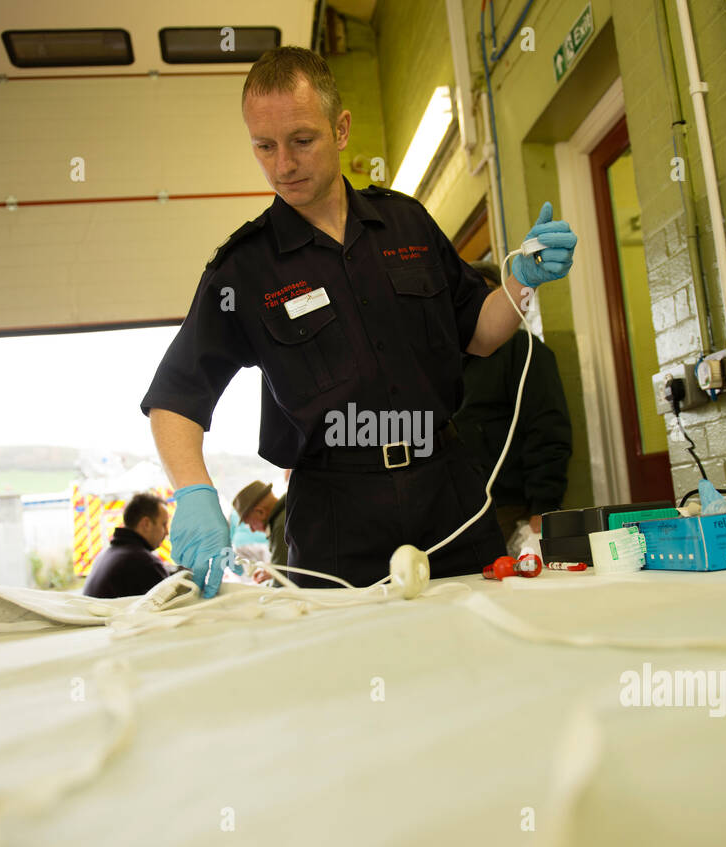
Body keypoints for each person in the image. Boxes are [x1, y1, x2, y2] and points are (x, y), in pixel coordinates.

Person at [140, 46, 577, 597]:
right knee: (350, 670)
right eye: (264, 147)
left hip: (448, 493)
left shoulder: (407, 224)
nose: (283, 165)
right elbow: (176, 396)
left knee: (487, 649)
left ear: (341, 128)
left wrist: (520, 282)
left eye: (302, 141)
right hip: (335, 516)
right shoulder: (245, 269)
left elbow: (481, 335)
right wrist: (194, 492)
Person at [455, 261, 572, 548]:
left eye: (487, 295)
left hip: (509, 508)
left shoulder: (524, 350)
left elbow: (548, 428)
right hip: (458, 510)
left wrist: (544, 507)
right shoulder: (446, 361)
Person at [81, 492, 176, 598]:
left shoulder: (106, 555)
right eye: (163, 524)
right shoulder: (144, 563)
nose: (167, 532)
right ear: (146, 524)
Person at [232, 480, 286, 583]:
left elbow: (281, 585)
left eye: (250, 524)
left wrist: (278, 573)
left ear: (260, 512)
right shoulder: (288, 513)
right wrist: (273, 570)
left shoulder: (281, 526)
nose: (252, 530)